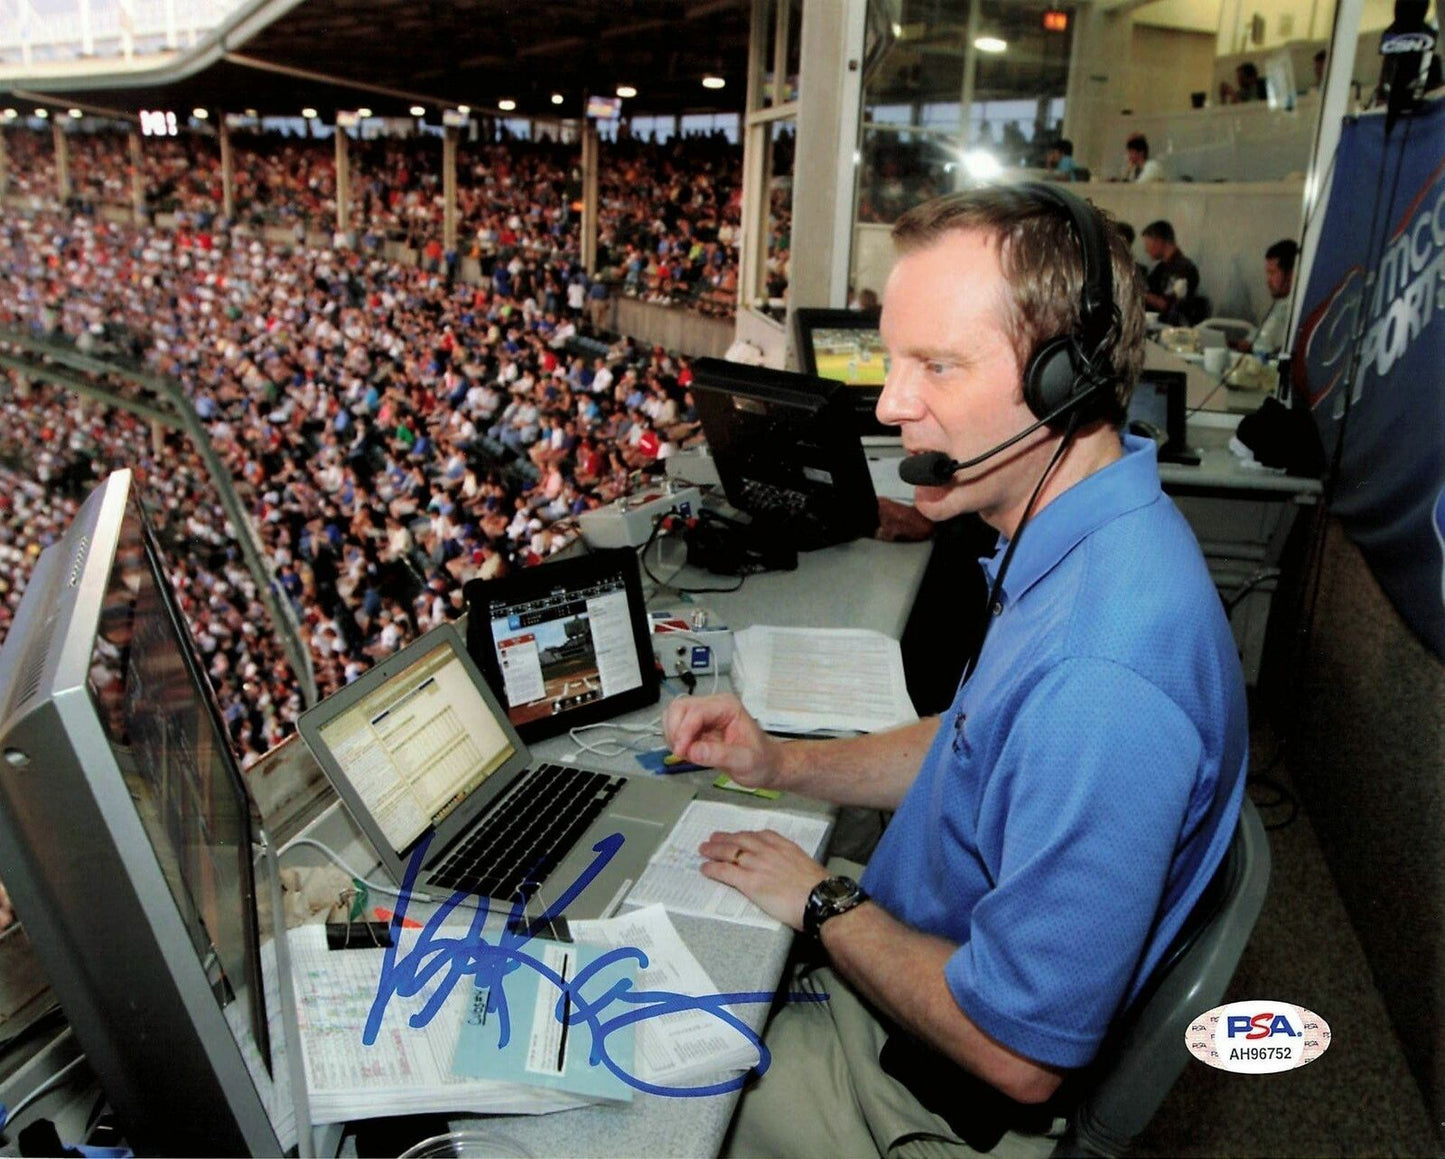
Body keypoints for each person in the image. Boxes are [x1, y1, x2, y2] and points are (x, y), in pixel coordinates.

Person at [664, 185, 1248, 1159]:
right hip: (914, 944)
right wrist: (781, 764)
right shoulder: (1087, 536)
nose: (891, 405)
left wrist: (819, 901)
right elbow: (978, 736)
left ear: (1067, 379)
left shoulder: (1100, 674)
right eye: (896, 360)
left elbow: (1016, 1050)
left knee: (611, 1096)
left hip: (926, 1091)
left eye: (934, 364)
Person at [1236, 238, 1298, 354]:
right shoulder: (1280, 302)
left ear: (1291, 274)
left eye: (1272, 273)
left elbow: (1270, 350)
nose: (1268, 281)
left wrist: (1252, 347)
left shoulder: (1294, 311)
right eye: (1267, 273)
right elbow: (1260, 337)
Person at [1141, 220, 1204, 324]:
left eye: (1147, 243)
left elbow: (1166, 305)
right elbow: (1147, 287)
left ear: (1158, 241)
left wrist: (1139, 293)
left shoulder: (1184, 269)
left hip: (1170, 328)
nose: (1146, 249)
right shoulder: (1161, 267)